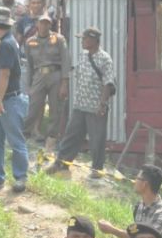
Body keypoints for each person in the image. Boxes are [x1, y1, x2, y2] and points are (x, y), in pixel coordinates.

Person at [46, 26, 115, 181]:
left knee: (97, 140)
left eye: (84, 39)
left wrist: (102, 104)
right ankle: (61, 163)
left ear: (93, 40)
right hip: (79, 105)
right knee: (71, 135)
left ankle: (97, 170)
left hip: (96, 107)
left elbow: (108, 83)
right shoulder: (83, 55)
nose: (82, 42)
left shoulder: (105, 59)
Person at [0, 6, 29, 193]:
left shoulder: (6, 44)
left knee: (14, 140)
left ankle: (20, 177)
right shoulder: (4, 41)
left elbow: (5, 74)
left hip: (6, 100)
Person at [98, 164, 162, 238]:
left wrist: (112, 230)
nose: (134, 181)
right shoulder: (140, 206)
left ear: (145, 184)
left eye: (137, 178)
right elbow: (135, 234)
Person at [23, 13, 69, 144]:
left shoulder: (59, 39)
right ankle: (25, 134)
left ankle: (51, 140)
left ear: (50, 24)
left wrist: (64, 83)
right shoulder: (30, 42)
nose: (44, 25)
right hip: (39, 75)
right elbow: (29, 65)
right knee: (33, 107)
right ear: (37, 24)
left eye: (47, 23)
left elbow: (66, 61)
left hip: (56, 75)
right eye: (42, 22)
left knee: (55, 109)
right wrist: (29, 86)